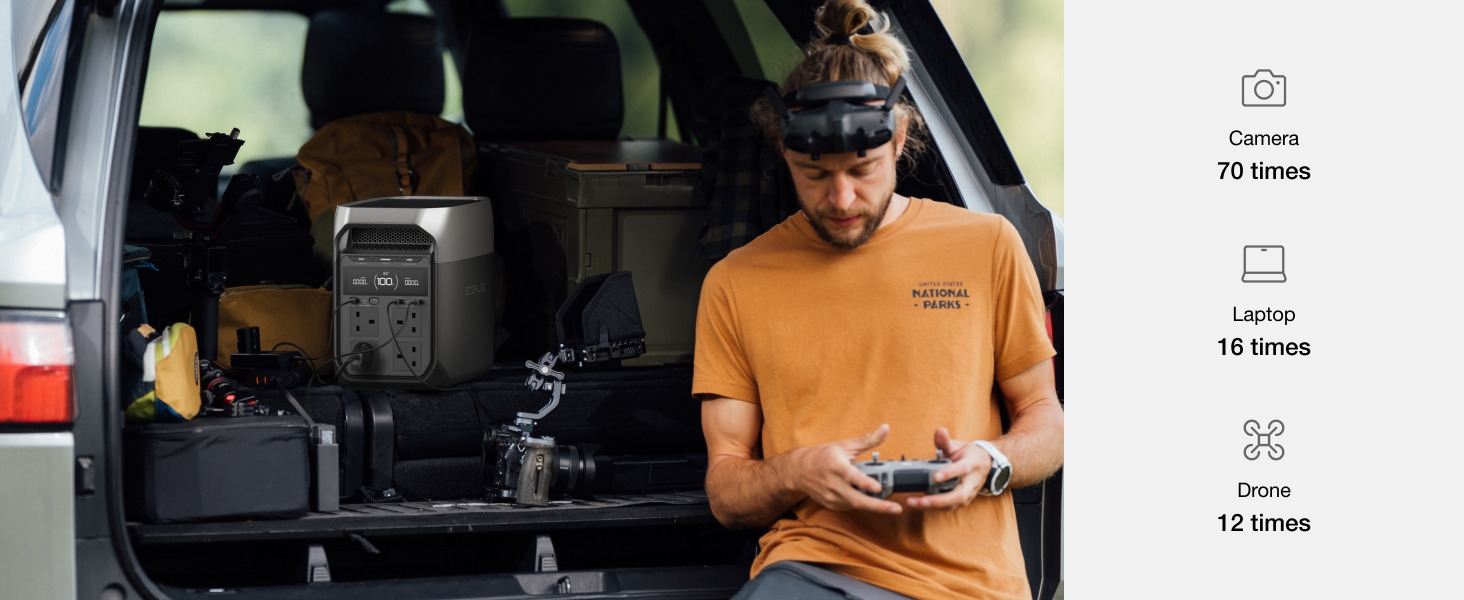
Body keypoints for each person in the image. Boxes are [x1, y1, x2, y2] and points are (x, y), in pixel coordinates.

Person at [691, 0, 1064, 598]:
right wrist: (797, 472)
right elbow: (728, 490)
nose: (840, 198)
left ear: (900, 139)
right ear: (782, 150)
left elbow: (1045, 420)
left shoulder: (987, 245)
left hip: (970, 586)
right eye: (814, 174)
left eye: (861, 169)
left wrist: (990, 462)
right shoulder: (736, 282)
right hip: (813, 572)